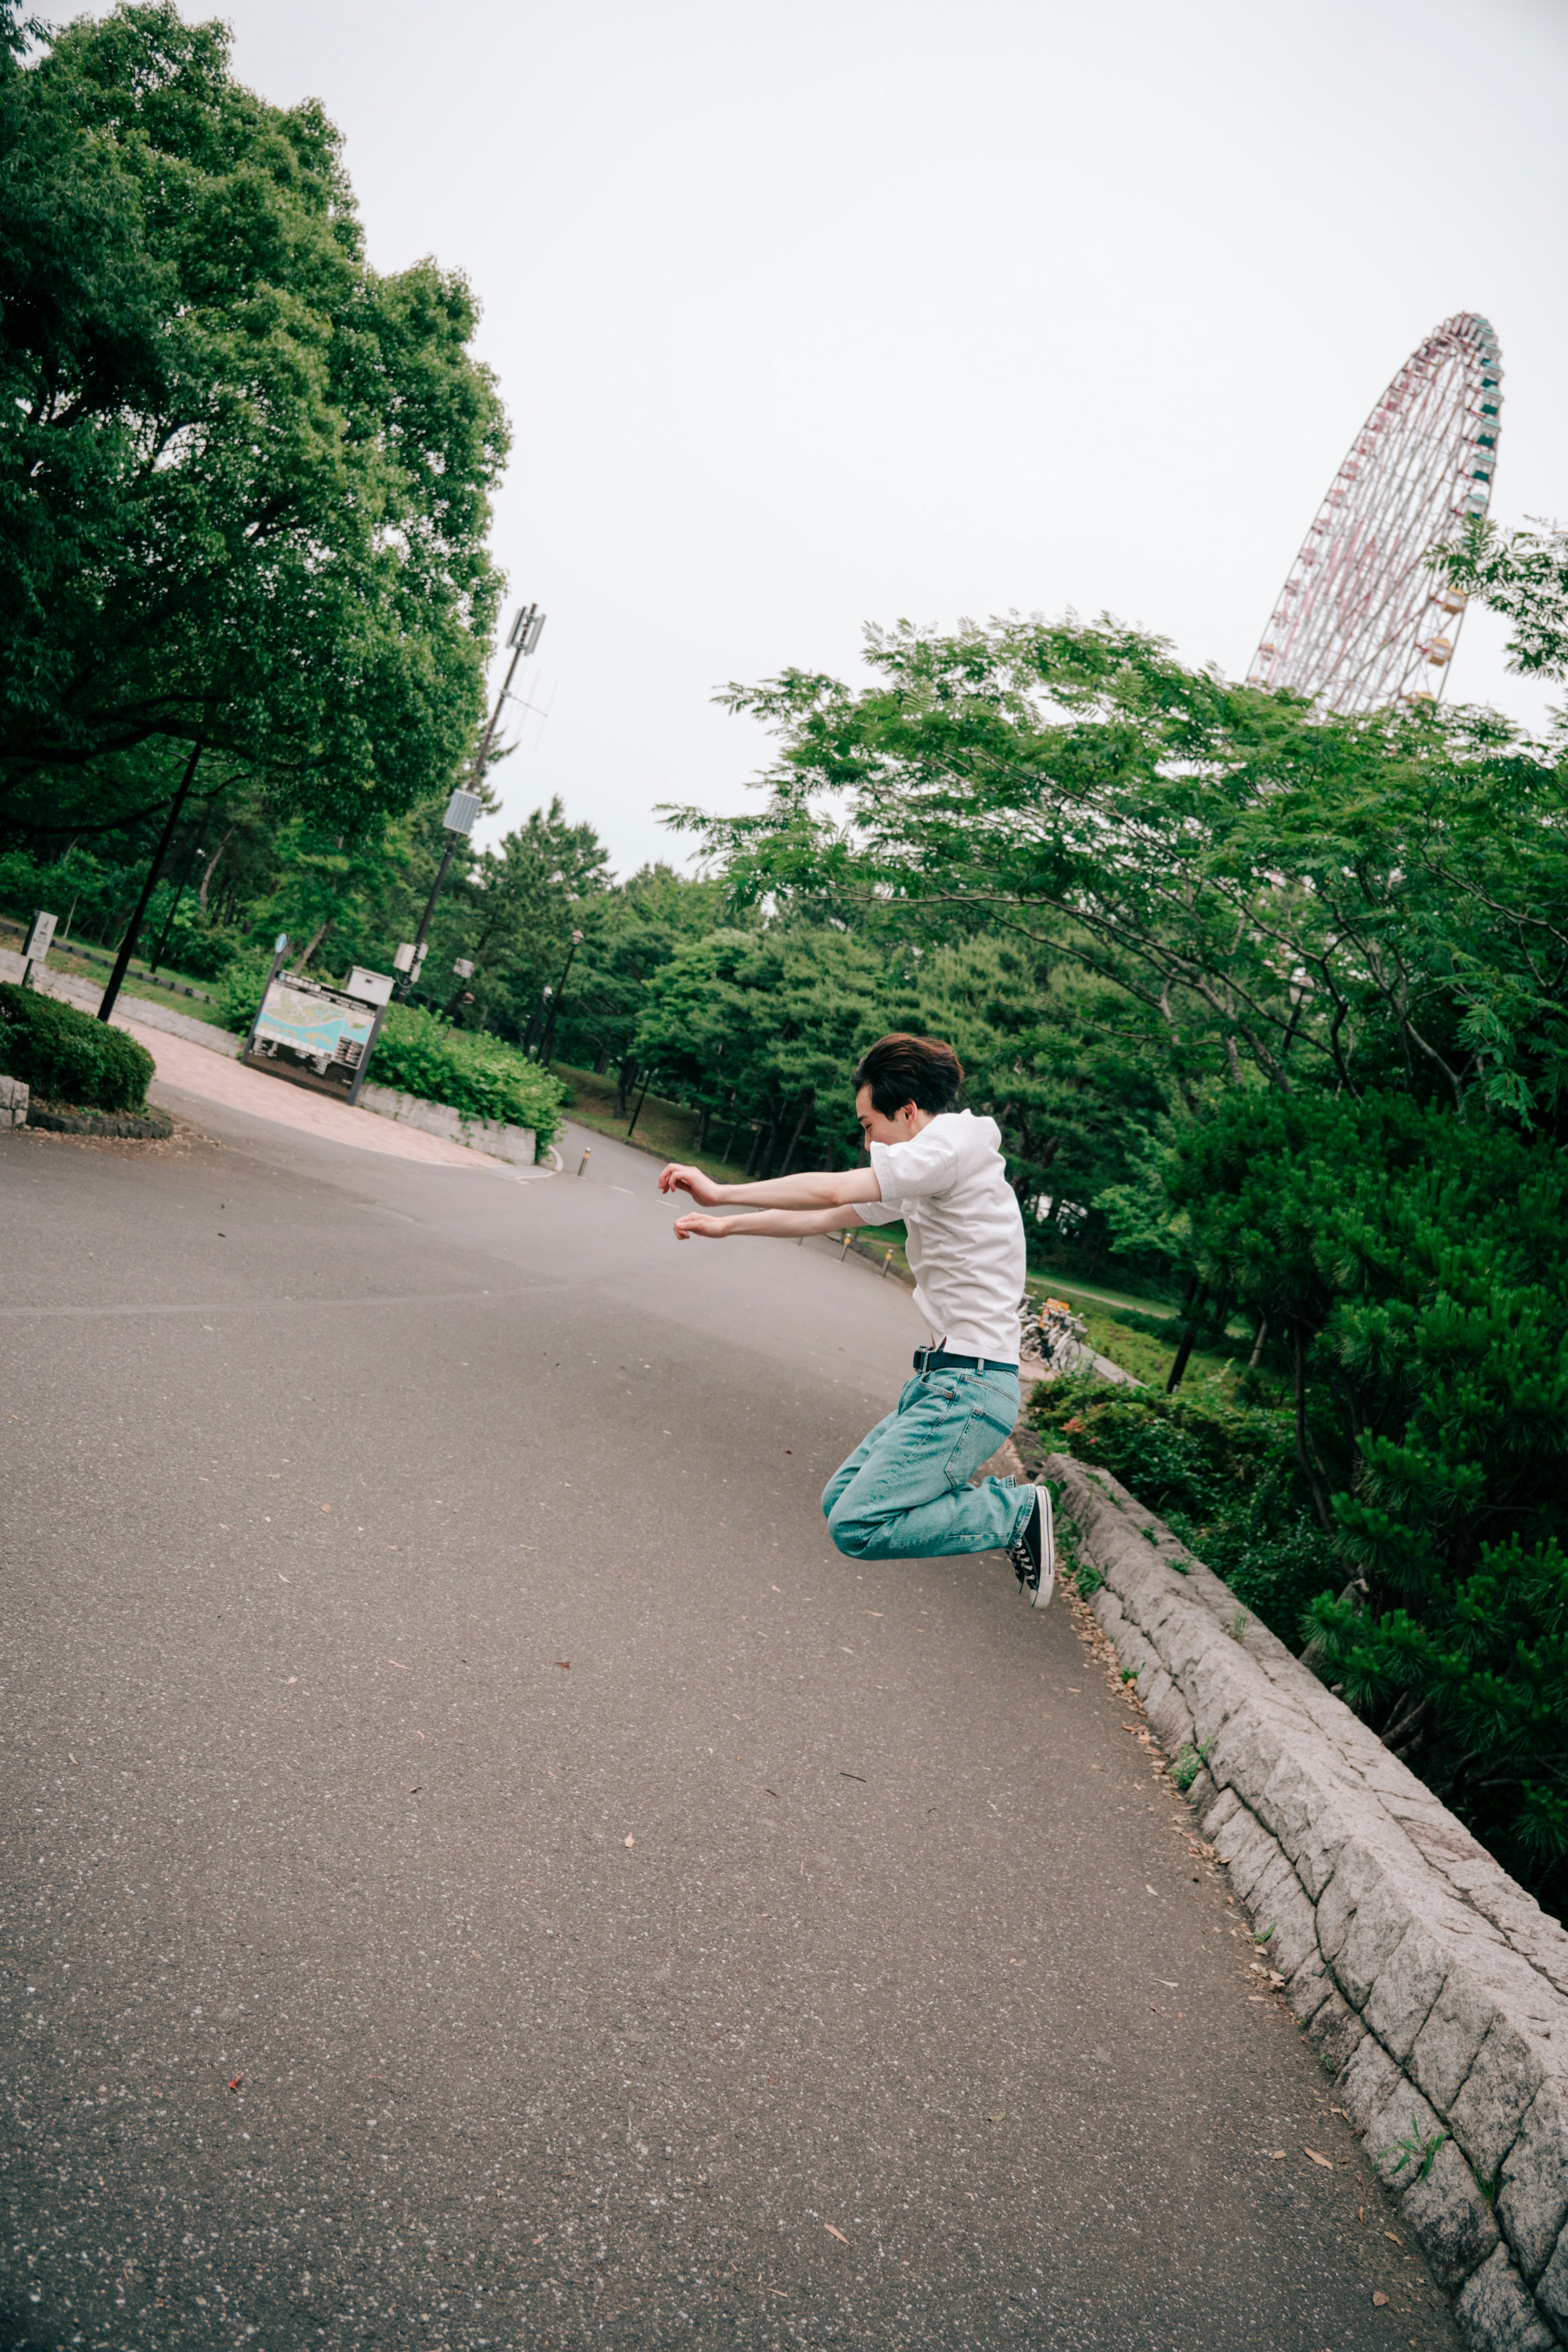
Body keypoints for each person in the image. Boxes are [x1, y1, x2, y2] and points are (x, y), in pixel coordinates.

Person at [658, 1031, 1053, 1605]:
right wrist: (726, 1225)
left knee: (857, 1524)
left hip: (970, 1387)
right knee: (839, 1499)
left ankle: (1010, 1513)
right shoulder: (935, 1165)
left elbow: (836, 1186)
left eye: (870, 1126)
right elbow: (831, 1213)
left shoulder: (947, 1149)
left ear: (909, 1112)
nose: (867, 1143)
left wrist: (721, 1193)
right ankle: (1001, 1513)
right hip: (942, 1381)